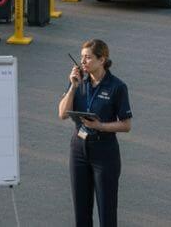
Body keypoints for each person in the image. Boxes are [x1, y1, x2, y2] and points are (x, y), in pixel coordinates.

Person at [58, 39, 132, 227]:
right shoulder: (79, 82)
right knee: (81, 211)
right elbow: (62, 114)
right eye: (81, 57)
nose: (83, 62)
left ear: (102, 60)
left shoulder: (117, 87)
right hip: (78, 149)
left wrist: (100, 126)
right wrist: (73, 86)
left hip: (104, 152)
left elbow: (126, 125)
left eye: (88, 57)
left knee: (107, 212)